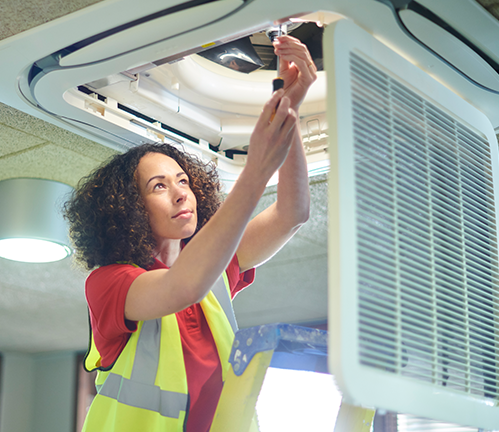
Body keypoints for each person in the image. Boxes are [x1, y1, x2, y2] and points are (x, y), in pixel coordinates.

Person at [64, 35, 317, 432]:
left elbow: (292, 214)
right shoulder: (109, 284)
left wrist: (289, 108)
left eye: (183, 181)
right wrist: (255, 170)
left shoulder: (211, 272)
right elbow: (182, 287)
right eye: (159, 186)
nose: (181, 193)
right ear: (130, 208)